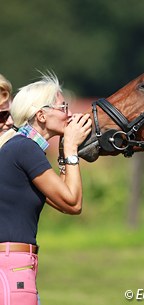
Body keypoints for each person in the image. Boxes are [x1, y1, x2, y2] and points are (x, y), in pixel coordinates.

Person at [0, 72, 92, 305]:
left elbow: (60, 198)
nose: (69, 114)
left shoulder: (17, 149)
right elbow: (73, 203)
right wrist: (71, 148)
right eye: (63, 107)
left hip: (13, 266)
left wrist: (63, 154)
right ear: (41, 115)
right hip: (13, 268)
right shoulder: (24, 149)